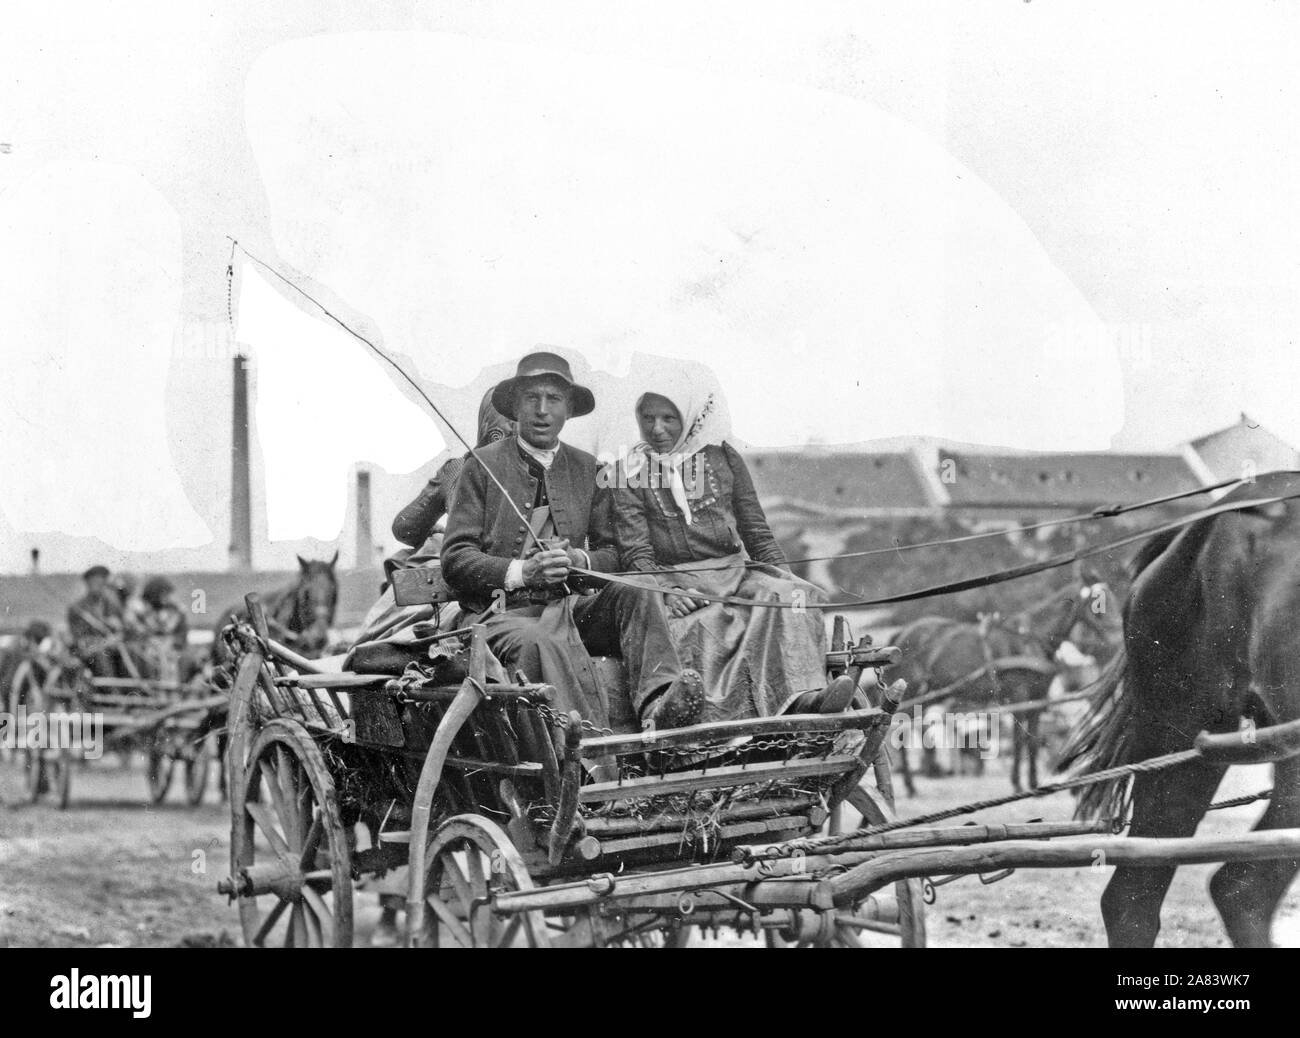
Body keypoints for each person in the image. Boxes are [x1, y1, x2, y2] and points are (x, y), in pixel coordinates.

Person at [441, 350, 703, 736]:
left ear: (568, 410)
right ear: (515, 407)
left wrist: (579, 558)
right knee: (539, 640)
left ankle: (659, 709)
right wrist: (522, 572)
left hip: (572, 607)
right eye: (532, 399)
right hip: (499, 615)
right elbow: (455, 559)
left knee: (640, 590)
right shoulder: (479, 467)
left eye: (554, 400)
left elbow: (615, 554)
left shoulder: (587, 469)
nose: (542, 411)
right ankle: (579, 757)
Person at [611, 374, 855, 722]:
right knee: (703, 625)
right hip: (682, 586)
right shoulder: (630, 473)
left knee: (791, 597)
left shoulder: (724, 458)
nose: (657, 429)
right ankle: (705, 726)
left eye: (669, 418)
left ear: (691, 417)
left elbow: (756, 532)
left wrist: (789, 582)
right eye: (647, 418)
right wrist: (667, 592)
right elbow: (635, 552)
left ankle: (804, 699)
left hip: (736, 575)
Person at [67, 565, 126, 677]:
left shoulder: (112, 605)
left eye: (101, 583)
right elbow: (77, 636)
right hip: (90, 650)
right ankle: (110, 689)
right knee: (100, 655)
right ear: (88, 584)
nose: (99, 587)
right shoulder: (77, 608)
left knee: (132, 652)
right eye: (95, 583)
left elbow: (122, 629)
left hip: (114, 647)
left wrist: (115, 629)